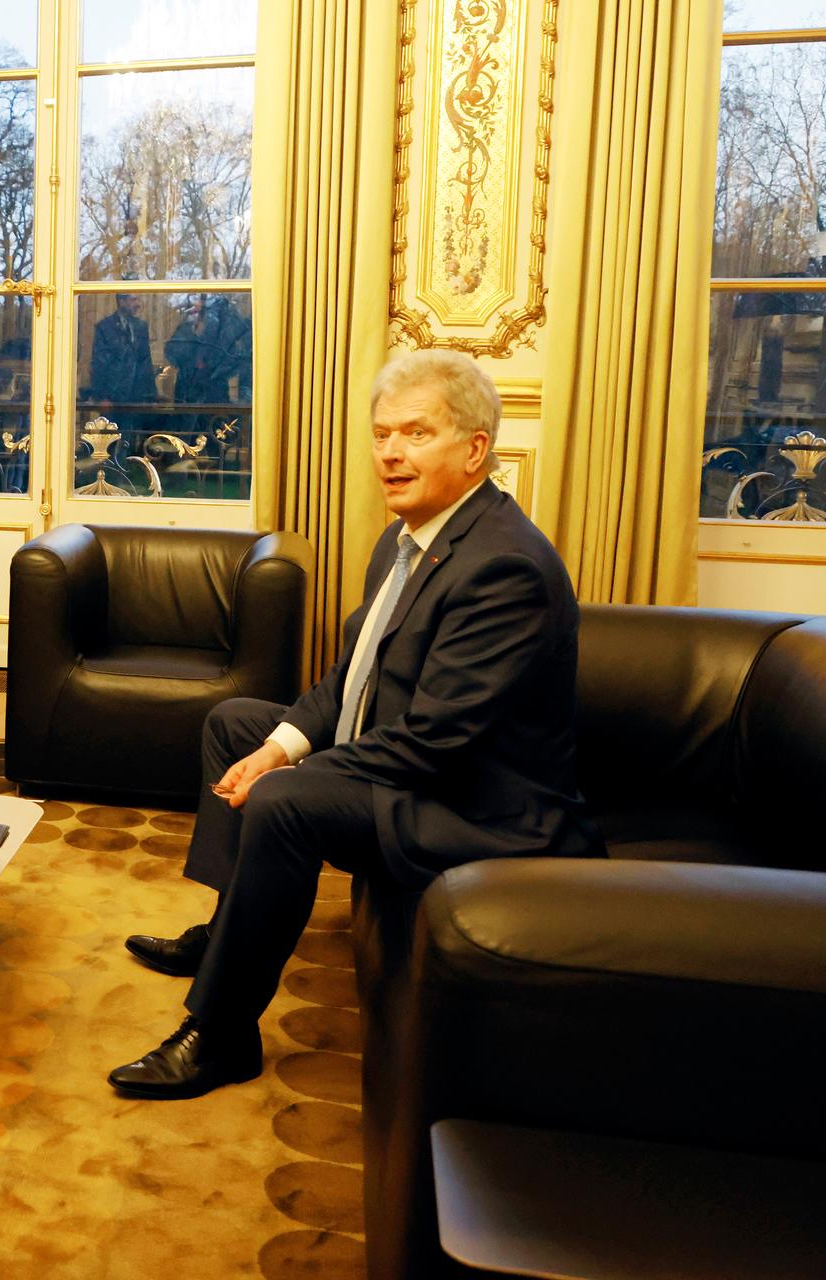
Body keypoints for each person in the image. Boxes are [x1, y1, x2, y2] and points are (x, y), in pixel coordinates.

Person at [108, 350, 601, 1100]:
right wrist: (278, 746)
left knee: (283, 797)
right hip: (410, 759)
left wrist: (295, 774)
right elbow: (353, 679)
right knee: (238, 725)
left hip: (480, 810)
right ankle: (223, 935)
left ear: (474, 450)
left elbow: (436, 742)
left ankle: (221, 1031)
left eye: (415, 433)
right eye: (381, 435)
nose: (391, 454)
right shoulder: (407, 537)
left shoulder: (505, 568)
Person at [89, 293, 158, 407]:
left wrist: (152, 395)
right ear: (122, 302)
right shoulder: (105, 327)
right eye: (134, 299)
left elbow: (146, 362)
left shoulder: (141, 327)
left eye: (138, 299)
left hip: (138, 399)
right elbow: (99, 364)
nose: (138, 304)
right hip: (113, 399)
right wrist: (102, 397)